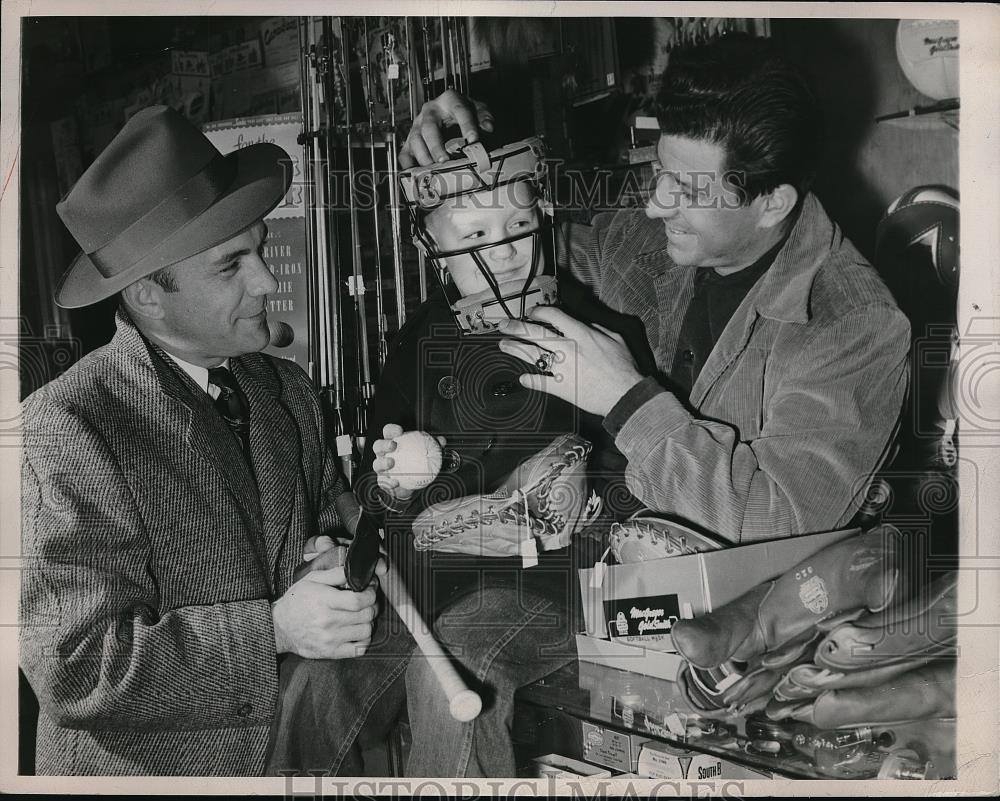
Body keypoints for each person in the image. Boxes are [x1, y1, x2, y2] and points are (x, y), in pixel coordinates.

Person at [401, 33, 911, 543]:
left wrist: (625, 399)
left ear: (772, 204)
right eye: (660, 171)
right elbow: (507, 247)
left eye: (686, 190)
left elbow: (776, 521)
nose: (655, 205)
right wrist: (468, 154)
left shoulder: (854, 325)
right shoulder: (637, 239)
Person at [18, 105, 396, 776]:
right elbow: (76, 665)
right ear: (147, 296)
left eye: (259, 246)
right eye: (232, 266)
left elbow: (332, 513)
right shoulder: (69, 424)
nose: (268, 281)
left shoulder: (285, 388)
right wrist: (274, 627)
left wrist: (360, 523)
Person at [268, 136, 607, 778]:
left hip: (552, 589)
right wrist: (391, 487)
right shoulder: (415, 347)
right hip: (423, 586)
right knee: (315, 685)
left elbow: (635, 475)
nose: (505, 250)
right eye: (475, 233)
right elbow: (374, 497)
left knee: (453, 658)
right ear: (435, 250)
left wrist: (582, 496)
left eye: (520, 225)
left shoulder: (593, 335)